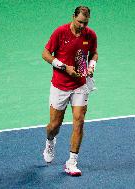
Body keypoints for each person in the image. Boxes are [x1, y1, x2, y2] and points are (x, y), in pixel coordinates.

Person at [41, 5, 98, 176]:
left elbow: (93, 53)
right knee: (54, 125)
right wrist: (64, 67)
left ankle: (72, 162)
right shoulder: (60, 32)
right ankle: (50, 141)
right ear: (73, 17)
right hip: (60, 85)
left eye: (85, 23)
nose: (82, 26)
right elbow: (45, 54)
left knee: (79, 121)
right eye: (80, 22)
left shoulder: (90, 34)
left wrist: (91, 65)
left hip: (80, 83)